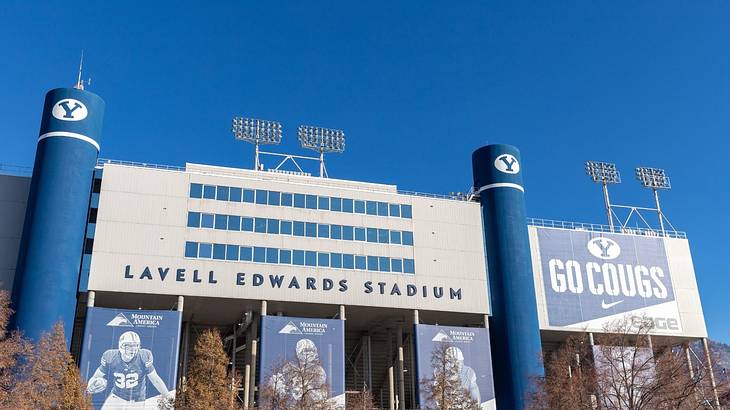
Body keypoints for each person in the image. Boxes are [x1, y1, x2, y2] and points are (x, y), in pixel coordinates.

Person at [86, 331, 173, 409]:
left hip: (137, 400)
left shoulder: (144, 356)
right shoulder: (110, 356)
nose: (132, 349)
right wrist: (92, 383)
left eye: (135, 345)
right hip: (117, 397)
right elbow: (96, 376)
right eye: (128, 346)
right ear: (121, 345)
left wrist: (167, 396)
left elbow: (155, 379)